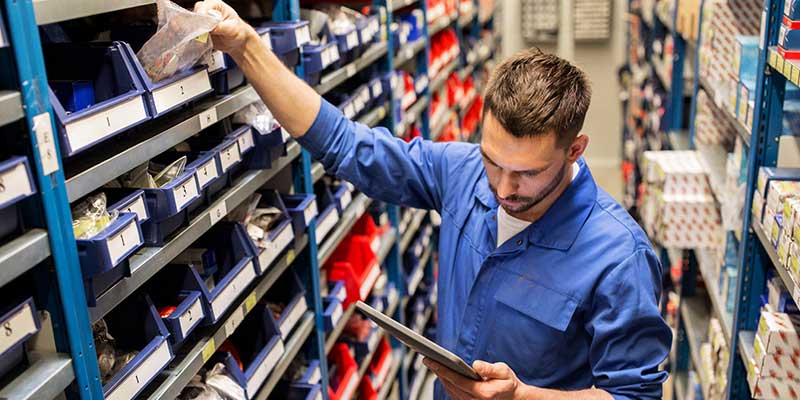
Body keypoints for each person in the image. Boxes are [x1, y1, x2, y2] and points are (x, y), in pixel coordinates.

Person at [193, 1, 672, 399]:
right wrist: (246, 45)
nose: (503, 188)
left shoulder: (618, 256)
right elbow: (343, 143)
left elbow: (634, 395)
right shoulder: (463, 172)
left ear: (575, 150)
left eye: (527, 173)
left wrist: (521, 396)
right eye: (493, 161)